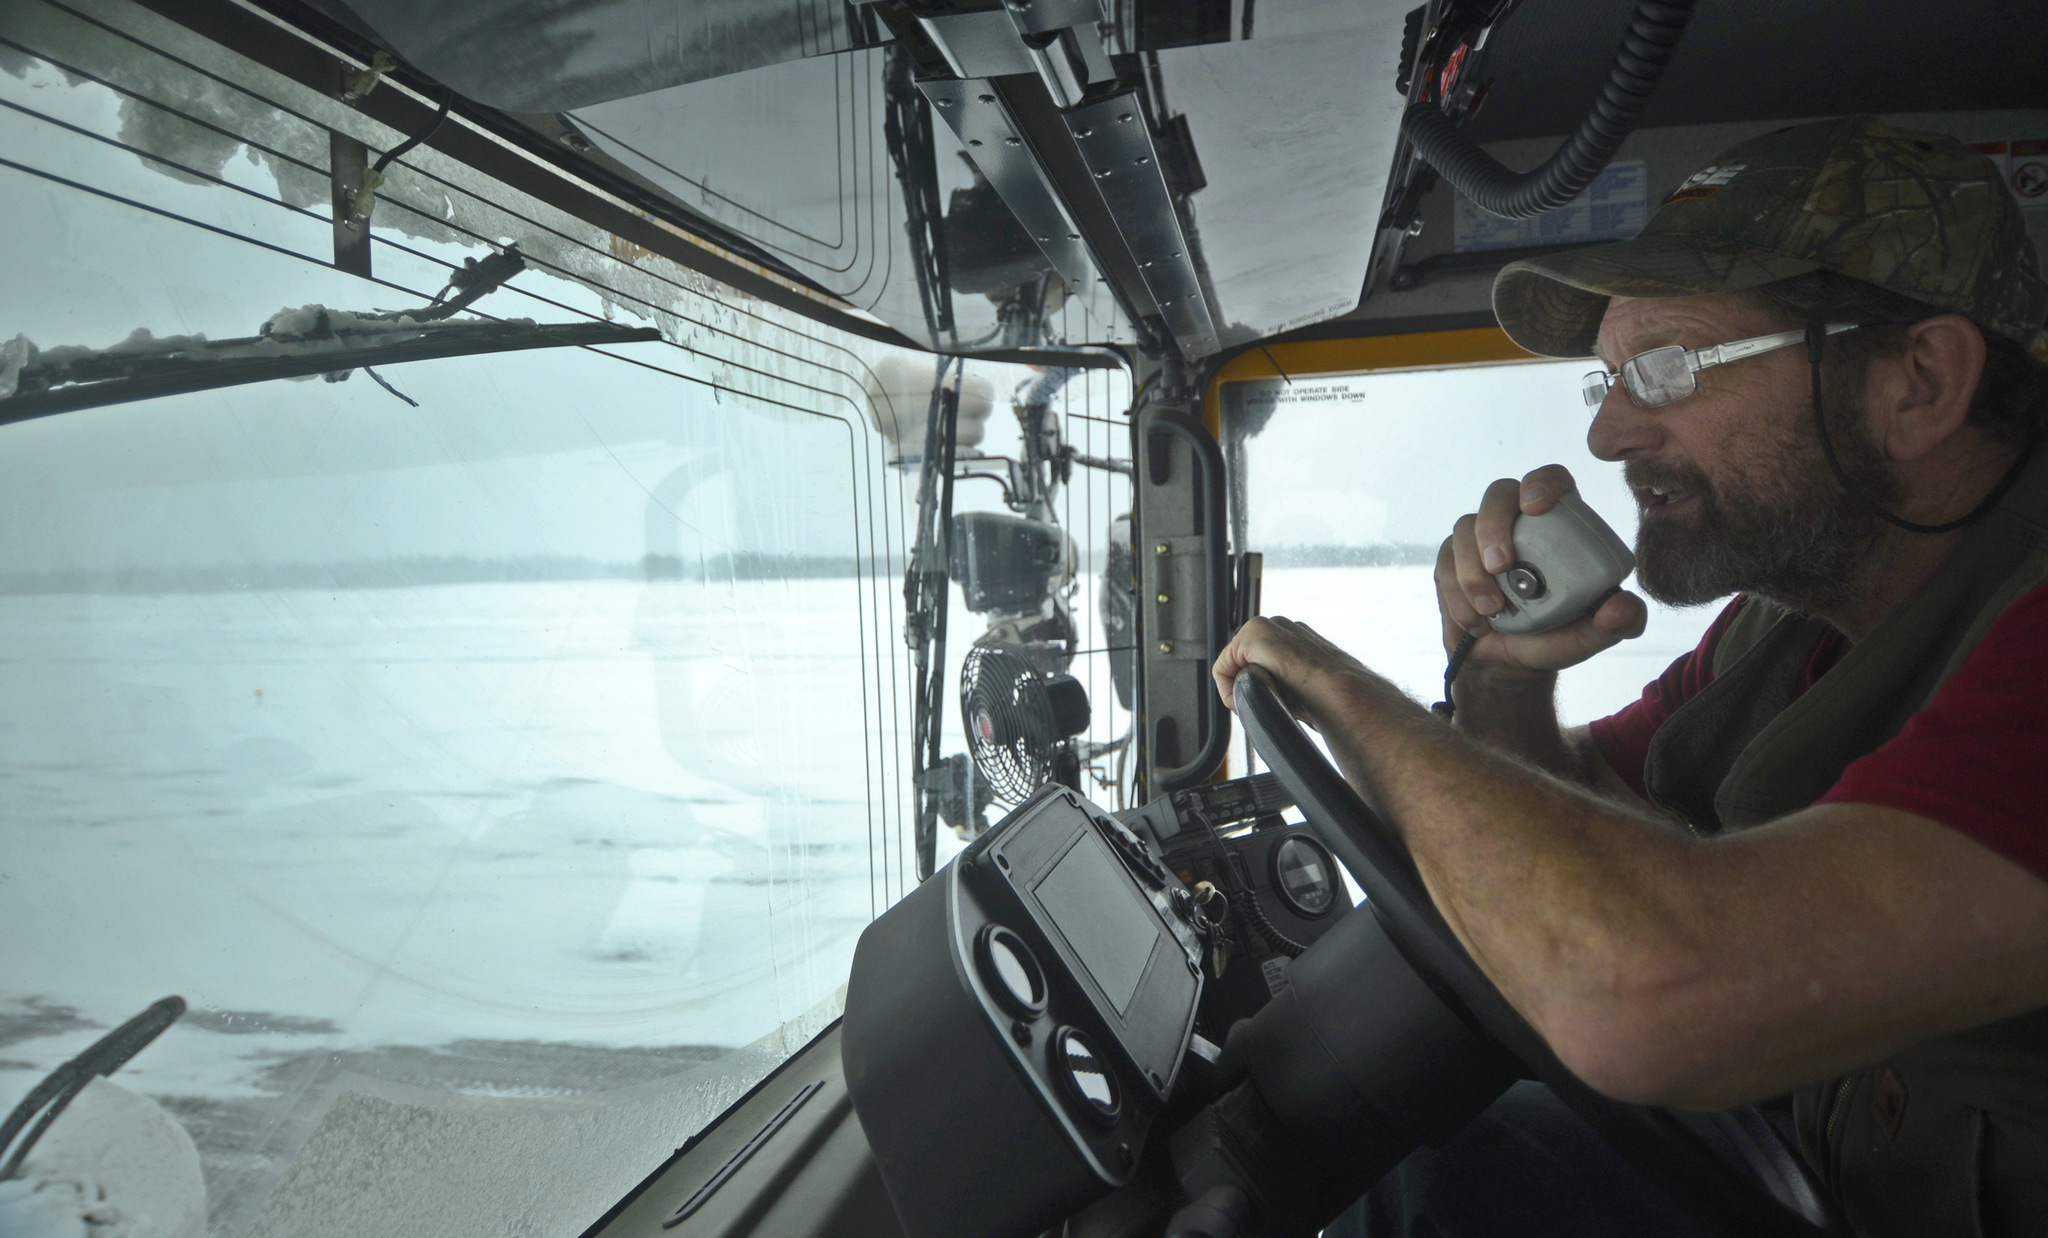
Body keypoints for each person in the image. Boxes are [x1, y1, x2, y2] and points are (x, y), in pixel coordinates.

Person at [1213, 115, 2048, 1238]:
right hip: (1820, 1165)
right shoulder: (1789, 620)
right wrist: (1498, 686)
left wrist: (1351, 704)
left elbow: (1648, 993)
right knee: (1445, 1163)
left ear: (1918, 381)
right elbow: (1582, 842)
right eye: (1606, 379)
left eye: (1667, 367)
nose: (1607, 433)